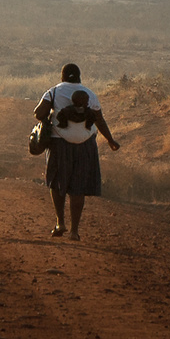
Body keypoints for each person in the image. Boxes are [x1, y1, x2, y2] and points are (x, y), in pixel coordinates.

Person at [33, 63, 118, 241]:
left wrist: (50, 112)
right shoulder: (90, 94)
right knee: (77, 189)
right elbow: (100, 120)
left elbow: (38, 113)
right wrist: (110, 140)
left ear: (62, 76)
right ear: (80, 77)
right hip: (85, 146)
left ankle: (60, 222)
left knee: (57, 183)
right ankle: (74, 231)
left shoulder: (54, 91)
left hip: (59, 144)